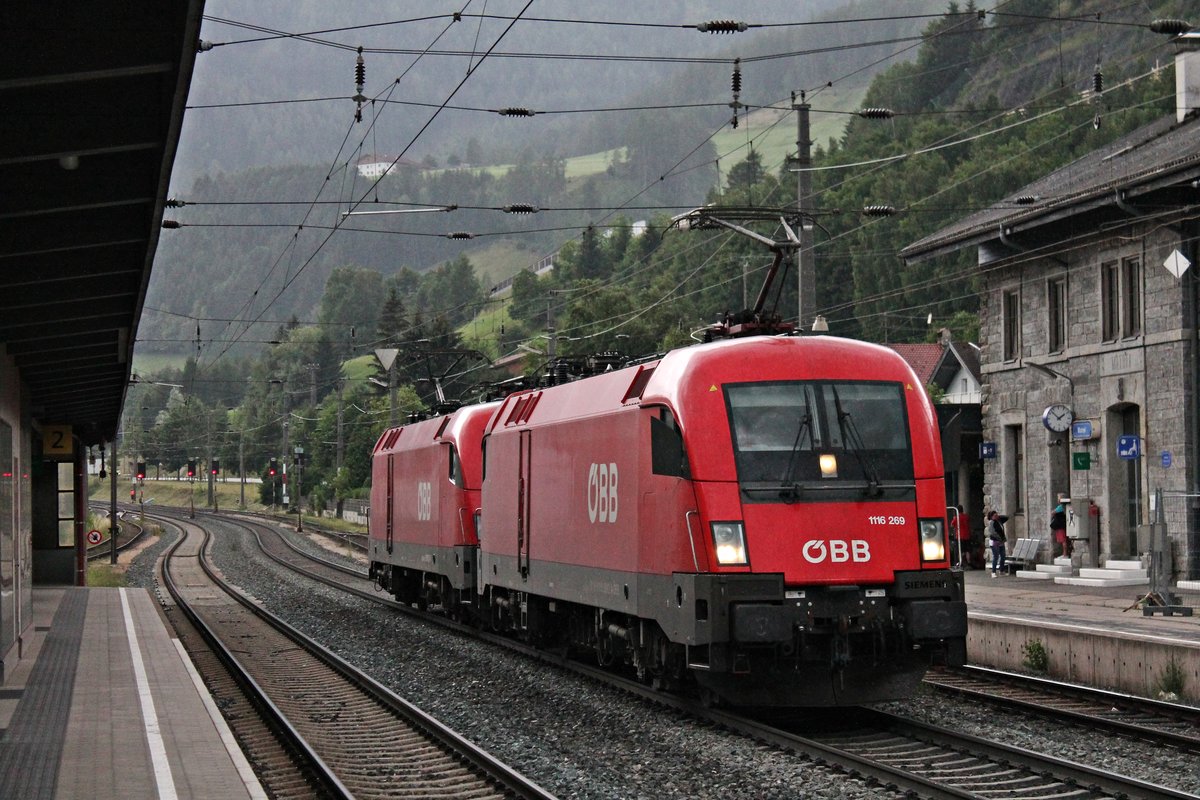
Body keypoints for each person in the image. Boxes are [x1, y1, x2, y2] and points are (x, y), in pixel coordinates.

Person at [986, 510, 1008, 577]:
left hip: (1001, 541)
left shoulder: (999, 521)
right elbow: (993, 533)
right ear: (991, 517)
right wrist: (999, 538)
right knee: (996, 556)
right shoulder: (991, 523)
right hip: (995, 541)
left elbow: (1006, 517)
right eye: (994, 516)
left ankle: (1002, 570)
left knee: (1003, 556)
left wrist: (998, 516)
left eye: (996, 515)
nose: (996, 516)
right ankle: (993, 572)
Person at [1051, 494, 1071, 558]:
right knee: (1063, 540)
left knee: (1063, 540)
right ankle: (1064, 553)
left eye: (1059, 498)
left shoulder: (1061, 507)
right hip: (1062, 525)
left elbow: (1053, 512)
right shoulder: (1062, 506)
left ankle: (1065, 554)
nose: (1058, 500)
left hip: (1060, 526)